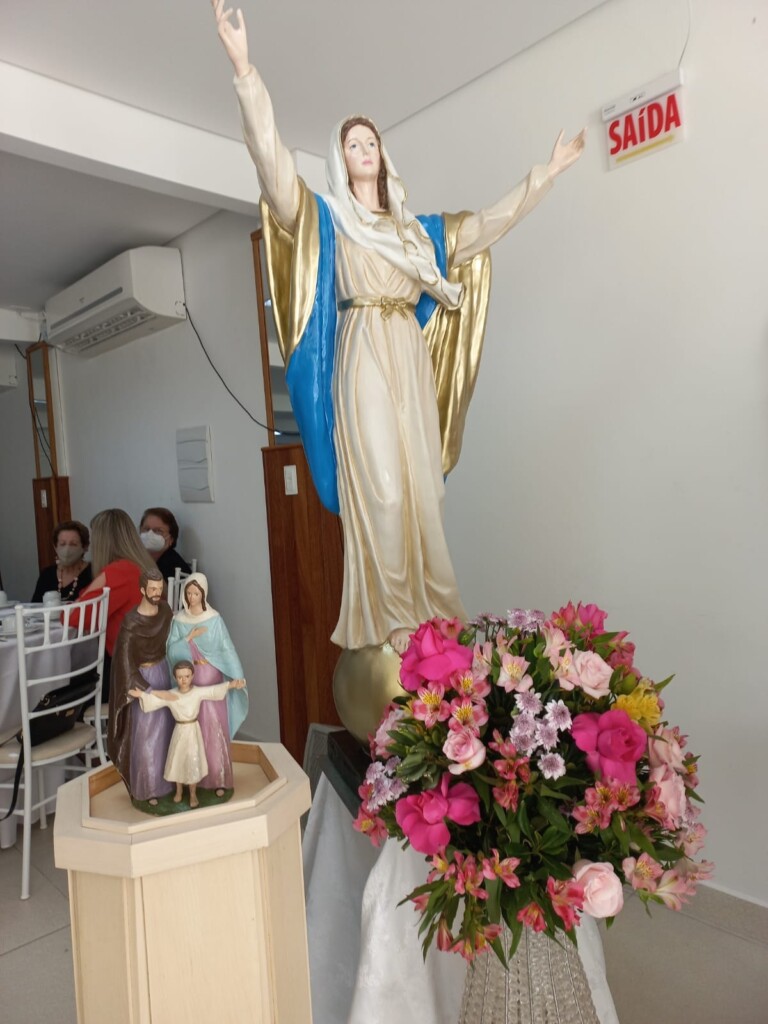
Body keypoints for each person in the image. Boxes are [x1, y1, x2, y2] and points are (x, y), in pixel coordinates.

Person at [213, 2, 585, 654]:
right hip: (361, 347)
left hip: (407, 350)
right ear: (340, 159)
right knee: (382, 493)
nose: (364, 150)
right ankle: (390, 630)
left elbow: (488, 224)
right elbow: (271, 164)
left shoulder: (420, 235)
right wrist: (245, 70)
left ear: (383, 155)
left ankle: (435, 622)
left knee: (422, 493)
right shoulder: (327, 218)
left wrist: (545, 175)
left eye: (371, 141)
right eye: (351, 144)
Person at [166, 573, 248, 796]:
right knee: (191, 733)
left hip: (211, 677)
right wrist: (188, 638)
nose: (192, 597)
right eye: (189, 593)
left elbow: (226, 648)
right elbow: (171, 650)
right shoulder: (179, 620)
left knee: (214, 729)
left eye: (196, 593)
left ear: (203, 594)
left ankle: (218, 778)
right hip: (188, 682)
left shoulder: (214, 619)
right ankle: (194, 780)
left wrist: (237, 675)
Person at [129, 661, 246, 809]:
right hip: (179, 732)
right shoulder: (172, 694)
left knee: (192, 762)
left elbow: (212, 691)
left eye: (187, 676)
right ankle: (178, 791)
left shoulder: (197, 692)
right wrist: (141, 694)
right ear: (175, 678)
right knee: (177, 762)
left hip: (192, 733)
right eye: (179, 677)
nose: (183, 680)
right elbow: (157, 700)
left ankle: (193, 794)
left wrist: (231, 685)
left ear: (192, 676)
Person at [72, 508, 157, 698]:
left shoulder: (118, 572)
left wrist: (93, 587)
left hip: (128, 675)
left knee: (67, 686)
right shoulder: (141, 566)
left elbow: (75, 618)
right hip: (151, 664)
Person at [108, 568, 175, 806]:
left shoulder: (166, 611)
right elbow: (125, 662)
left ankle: (171, 783)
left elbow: (175, 638)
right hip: (144, 680)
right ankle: (149, 789)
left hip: (165, 672)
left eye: (160, 589)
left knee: (168, 730)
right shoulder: (131, 623)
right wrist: (147, 691)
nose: (157, 593)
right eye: (152, 589)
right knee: (148, 735)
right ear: (142, 590)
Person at [31, 520, 93, 603]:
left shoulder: (93, 573)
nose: (67, 549)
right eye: (62, 544)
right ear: (55, 547)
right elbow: (35, 606)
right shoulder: (47, 575)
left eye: (73, 544)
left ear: (85, 547)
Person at [140, 507, 192, 580]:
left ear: (171, 539)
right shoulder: (136, 557)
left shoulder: (174, 567)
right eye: (146, 529)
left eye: (158, 531)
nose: (150, 534)